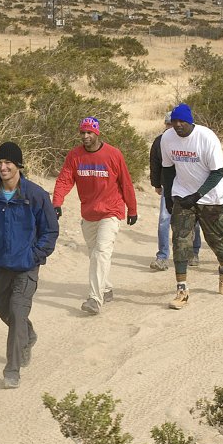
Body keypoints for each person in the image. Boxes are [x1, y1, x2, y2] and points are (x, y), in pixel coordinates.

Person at [0, 142, 59, 388]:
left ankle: (12, 369)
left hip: (27, 265)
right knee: (0, 307)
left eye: (8, 163)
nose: (3, 167)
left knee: (17, 313)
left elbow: (50, 230)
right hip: (2, 263)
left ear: (19, 166)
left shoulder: (35, 195)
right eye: (0, 162)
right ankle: (27, 334)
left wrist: (36, 255)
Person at [52, 116, 138, 315]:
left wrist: (132, 209)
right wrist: (57, 202)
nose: (85, 136)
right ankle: (106, 288)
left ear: (97, 133)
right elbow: (64, 180)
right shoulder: (75, 156)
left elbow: (126, 183)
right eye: (82, 132)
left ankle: (94, 299)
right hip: (89, 213)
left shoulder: (113, 155)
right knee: (95, 255)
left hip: (111, 211)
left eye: (89, 132)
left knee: (101, 252)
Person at [159, 103, 223, 305]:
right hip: (183, 194)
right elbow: (167, 169)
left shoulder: (207, 138)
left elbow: (218, 173)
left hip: (212, 198)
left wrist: (198, 195)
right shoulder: (167, 138)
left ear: (190, 122)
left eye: (182, 121)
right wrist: (168, 197)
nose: (178, 125)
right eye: (174, 121)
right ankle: (182, 289)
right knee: (181, 241)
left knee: (215, 239)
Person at [149, 112, 201, 270]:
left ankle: (193, 251)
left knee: (194, 221)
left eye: (176, 123)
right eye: (169, 124)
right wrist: (157, 184)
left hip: (189, 186)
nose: (173, 127)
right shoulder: (160, 141)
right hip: (169, 186)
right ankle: (162, 256)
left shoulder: (190, 140)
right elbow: (155, 163)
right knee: (164, 220)